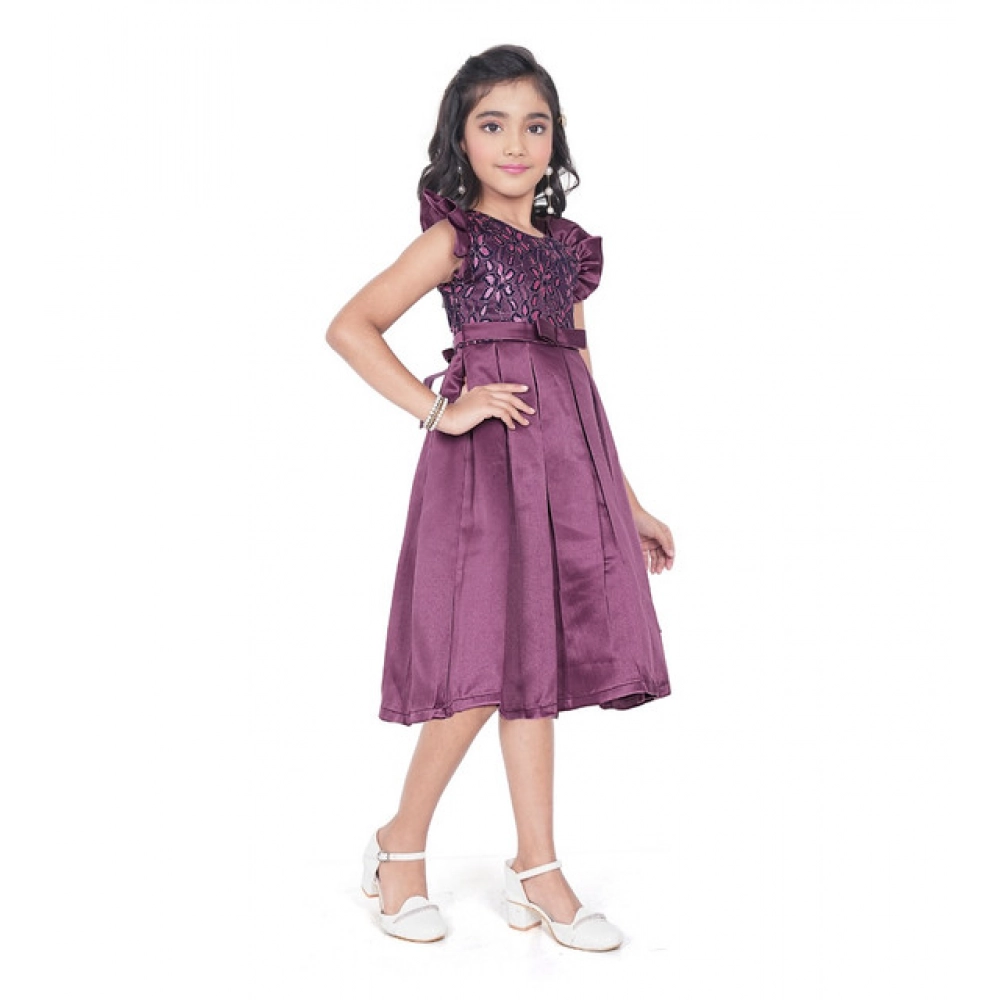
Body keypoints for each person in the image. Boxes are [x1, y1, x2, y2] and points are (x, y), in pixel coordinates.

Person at [326, 44, 674, 952]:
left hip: (567, 472)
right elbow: (351, 327)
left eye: (534, 125)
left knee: (537, 664)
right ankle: (399, 847)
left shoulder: (565, 251)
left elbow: (580, 376)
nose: (515, 144)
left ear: (555, 140)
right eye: (493, 125)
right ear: (462, 139)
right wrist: (439, 409)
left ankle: (536, 866)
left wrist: (627, 500)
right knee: (482, 663)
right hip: (485, 472)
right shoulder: (456, 239)